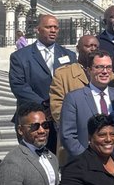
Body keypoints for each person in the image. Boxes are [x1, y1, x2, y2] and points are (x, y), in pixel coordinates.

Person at [8, 15, 75, 151]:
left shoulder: (69, 56)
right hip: (32, 119)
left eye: (56, 27)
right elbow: (18, 86)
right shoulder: (20, 56)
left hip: (60, 119)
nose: (53, 30)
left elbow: (73, 84)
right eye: (48, 27)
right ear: (38, 29)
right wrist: (45, 106)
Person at [59, 51, 114, 159]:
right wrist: (88, 159)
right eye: (99, 67)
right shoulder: (74, 98)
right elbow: (67, 135)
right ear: (89, 70)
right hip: (85, 164)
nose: (105, 71)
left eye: (108, 67)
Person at [48, 34, 97, 124]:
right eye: (88, 46)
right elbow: (57, 107)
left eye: (95, 46)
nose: (93, 49)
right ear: (78, 48)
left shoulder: (108, 74)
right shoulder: (63, 74)